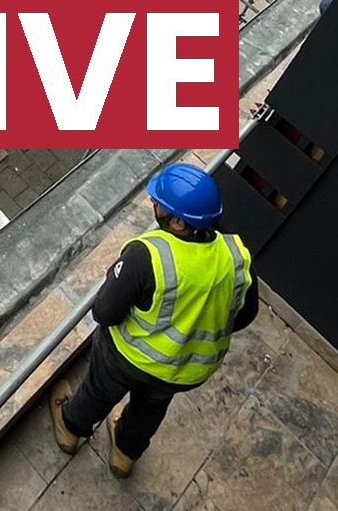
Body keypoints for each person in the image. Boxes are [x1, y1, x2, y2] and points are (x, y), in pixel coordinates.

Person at [51, 164, 257, 480]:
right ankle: (124, 455)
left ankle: (70, 429)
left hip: (126, 358)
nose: (153, 204)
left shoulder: (147, 255)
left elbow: (104, 312)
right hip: (184, 371)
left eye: (159, 203)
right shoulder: (237, 255)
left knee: (99, 392)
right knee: (150, 410)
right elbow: (245, 314)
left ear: (178, 222)